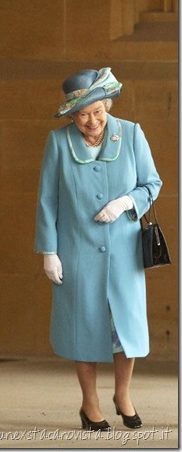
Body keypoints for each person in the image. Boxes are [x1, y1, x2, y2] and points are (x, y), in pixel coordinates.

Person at [35, 67, 162, 431]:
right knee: (83, 327)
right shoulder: (58, 142)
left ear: (107, 104)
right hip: (76, 250)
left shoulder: (132, 134)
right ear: (71, 115)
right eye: (82, 114)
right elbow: (47, 200)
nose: (91, 121)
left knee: (126, 329)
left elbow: (152, 183)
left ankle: (123, 394)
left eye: (97, 112)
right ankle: (89, 404)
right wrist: (49, 250)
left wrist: (124, 203)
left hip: (123, 251)